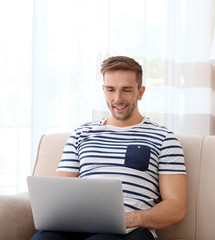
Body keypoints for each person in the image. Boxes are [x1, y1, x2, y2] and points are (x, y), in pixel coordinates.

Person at [30, 56, 187, 240]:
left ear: (140, 92)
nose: (117, 99)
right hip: (77, 225)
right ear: (103, 91)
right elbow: (57, 193)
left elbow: (176, 207)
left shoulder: (164, 139)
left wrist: (130, 218)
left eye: (126, 90)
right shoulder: (81, 134)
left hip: (132, 231)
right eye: (110, 90)